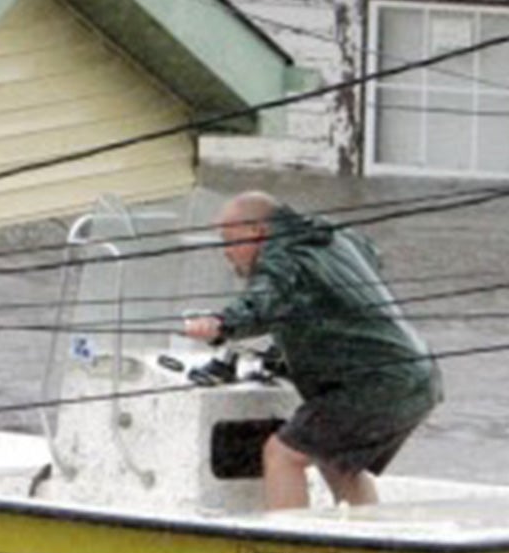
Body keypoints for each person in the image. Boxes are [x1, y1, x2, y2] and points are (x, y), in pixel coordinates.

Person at [185, 191, 441, 511]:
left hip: (374, 383)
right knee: (337, 462)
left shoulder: (282, 255)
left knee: (282, 454)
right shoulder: (333, 236)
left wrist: (221, 323)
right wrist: (282, 353)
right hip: (419, 377)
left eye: (229, 240)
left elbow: (264, 303)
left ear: (256, 230)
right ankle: (364, 542)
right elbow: (348, 280)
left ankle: (289, 551)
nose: (226, 252)